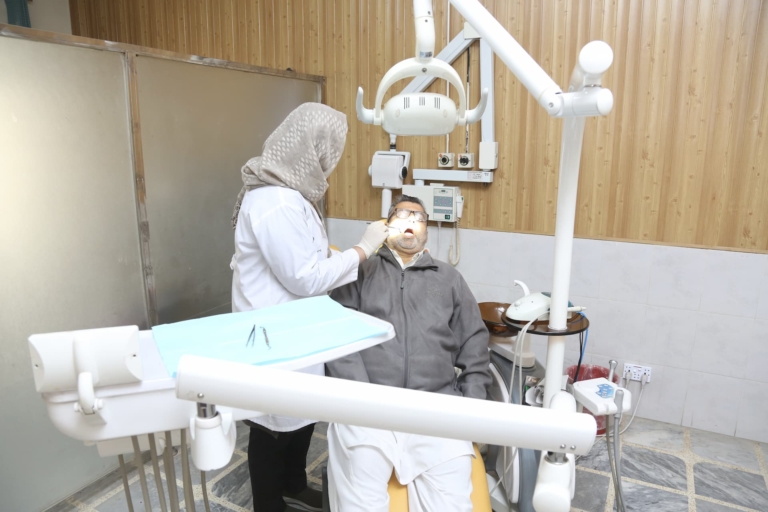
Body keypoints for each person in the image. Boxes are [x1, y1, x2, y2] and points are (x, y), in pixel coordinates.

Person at [230, 103, 390, 512]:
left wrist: (330, 253)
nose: (330, 161)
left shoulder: (291, 194)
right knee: (272, 424)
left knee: (301, 414)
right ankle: (269, 502)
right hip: (272, 333)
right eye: (330, 150)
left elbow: (303, 258)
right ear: (312, 148)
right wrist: (362, 250)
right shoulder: (276, 202)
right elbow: (303, 278)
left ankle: (294, 484)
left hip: (296, 324)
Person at [325, 195, 492, 512]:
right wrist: (359, 394)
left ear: (427, 232)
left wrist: (472, 404)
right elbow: (337, 331)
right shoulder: (360, 272)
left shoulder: (449, 279)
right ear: (386, 227)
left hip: (436, 406)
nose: (410, 221)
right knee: (360, 498)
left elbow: (473, 342)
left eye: (418, 217)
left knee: (451, 503)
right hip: (369, 405)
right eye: (400, 215)